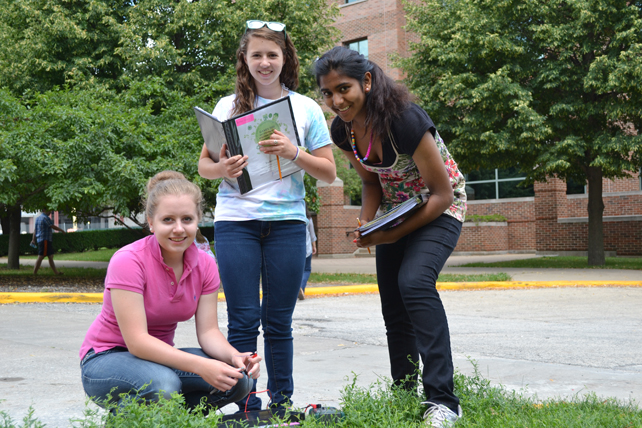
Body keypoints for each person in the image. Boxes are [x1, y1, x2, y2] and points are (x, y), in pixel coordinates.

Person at [314, 46, 467, 428]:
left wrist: (387, 235)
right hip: (397, 211)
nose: (337, 100)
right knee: (393, 306)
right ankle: (403, 395)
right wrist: (368, 224)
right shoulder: (342, 130)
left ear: (366, 81)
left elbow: (442, 193)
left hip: (440, 207)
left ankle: (443, 402)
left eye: (344, 88)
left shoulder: (403, 120)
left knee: (414, 283)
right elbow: (370, 181)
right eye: (328, 93)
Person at [197, 20, 336, 412]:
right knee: (242, 321)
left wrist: (293, 151)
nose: (264, 62)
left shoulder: (305, 108)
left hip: (287, 225)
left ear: (284, 58)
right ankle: (245, 404)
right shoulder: (227, 106)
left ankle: (282, 403)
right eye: (256, 54)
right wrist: (222, 169)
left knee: (279, 323)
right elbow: (203, 166)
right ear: (245, 58)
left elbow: (328, 172)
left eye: (272, 54)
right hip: (236, 222)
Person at [79, 171, 259, 413]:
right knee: (164, 385)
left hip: (159, 360)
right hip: (105, 359)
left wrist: (235, 357)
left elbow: (208, 332)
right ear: (151, 222)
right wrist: (201, 366)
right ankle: (127, 420)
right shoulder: (128, 261)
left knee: (239, 379)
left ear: (198, 221)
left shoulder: (205, 264)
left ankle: (178, 421)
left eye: (187, 219)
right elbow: (137, 342)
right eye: (168, 220)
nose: (178, 229)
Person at [31, 209, 66, 275]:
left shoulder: (38, 218)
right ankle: (34, 273)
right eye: (49, 210)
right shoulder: (45, 218)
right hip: (45, 240)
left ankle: (56, 273)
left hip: (41, 240)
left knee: (50, 256)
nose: (50, 212)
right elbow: (52, 226)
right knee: (41, 256)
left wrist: (33, 239)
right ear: (44, 210)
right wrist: (61, 230)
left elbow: (35, 230)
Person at [298, 207, 317, 300]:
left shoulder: (296, 218)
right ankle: (301, 287)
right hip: (307, 248)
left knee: (298, 270)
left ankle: (300, 290)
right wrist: (314, 246)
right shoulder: (308, 218)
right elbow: (312, 234)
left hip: (296, 249)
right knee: (307, 269)